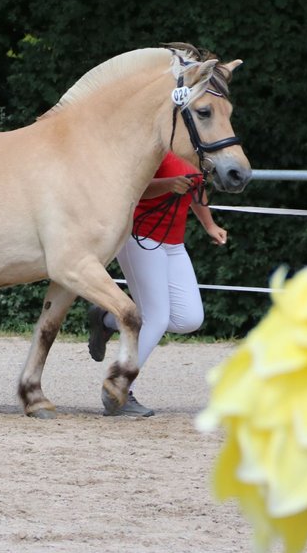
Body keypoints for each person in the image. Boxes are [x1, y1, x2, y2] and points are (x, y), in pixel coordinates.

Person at [86, 151, 228, 417]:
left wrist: (209, 225)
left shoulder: (195, 151)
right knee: (156, 318)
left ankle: (106, 319)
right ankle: (119, 388)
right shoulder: (157, 149)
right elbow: (130, 187)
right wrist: (167, 184)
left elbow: (197, 189)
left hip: (173, 243)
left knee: (189, 319)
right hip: (139, 237)